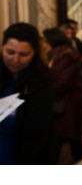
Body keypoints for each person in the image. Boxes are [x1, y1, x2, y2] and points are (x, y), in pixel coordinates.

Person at [0, 22, 53, 164]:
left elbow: (39, 136)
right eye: (10, 52)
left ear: (34, 53)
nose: (15, 60)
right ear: (2, 47)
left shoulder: (41, 84)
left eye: (23, 54)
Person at [42, 28, 82, 163]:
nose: (43, 43)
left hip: (68, 104)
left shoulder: (67, 57)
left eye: (45, 40)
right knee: (71, 138)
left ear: (52, 41)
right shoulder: (57, 55)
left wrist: (44, 89)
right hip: (65, 104)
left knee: (64, 138)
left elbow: (62, 83)